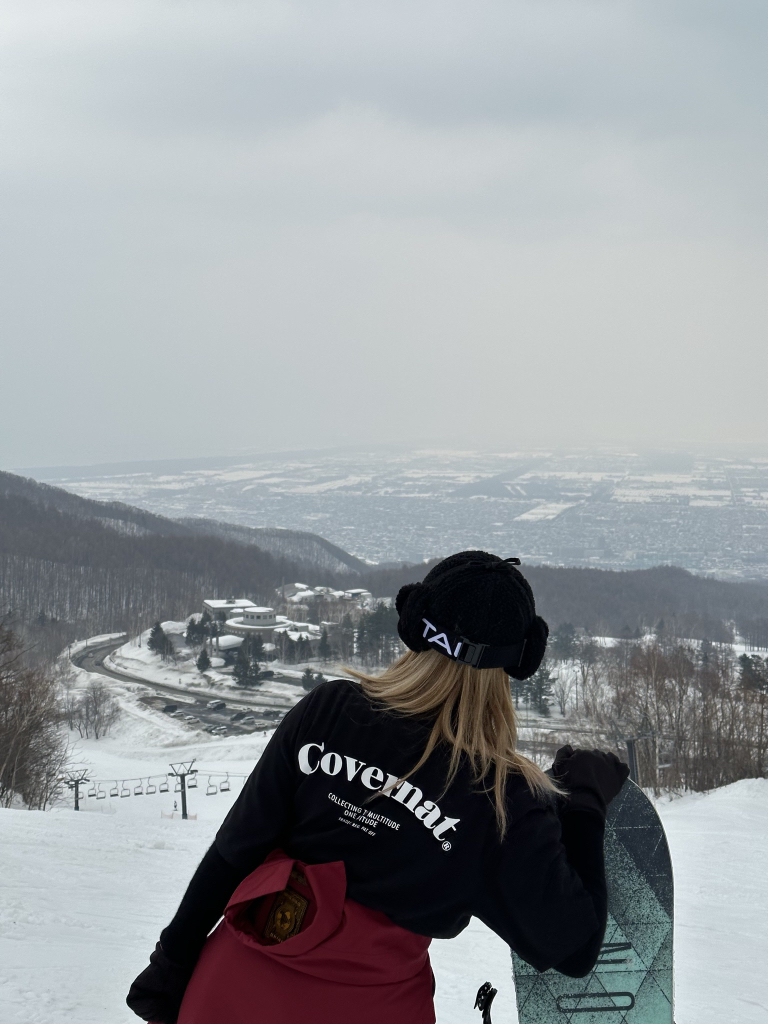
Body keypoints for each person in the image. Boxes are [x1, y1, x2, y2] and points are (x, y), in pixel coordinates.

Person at [127, 550, 628, 1024]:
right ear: (519, 660)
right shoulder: (503, 799)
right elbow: (574, 947)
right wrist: (582, 801)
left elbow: (234, 851)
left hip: (228, 994)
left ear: (413, 624)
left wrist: (171, 962)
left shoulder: (328, 710)